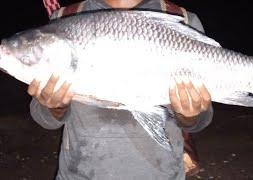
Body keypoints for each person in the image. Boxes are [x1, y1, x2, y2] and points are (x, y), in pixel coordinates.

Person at [28, 0, 214, 179]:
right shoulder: (65, 18)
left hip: (163, 173)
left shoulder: (183, 19)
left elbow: (201, 120)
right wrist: (55, 107)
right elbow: (44, 118)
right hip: (80, 172)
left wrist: (189, 115)